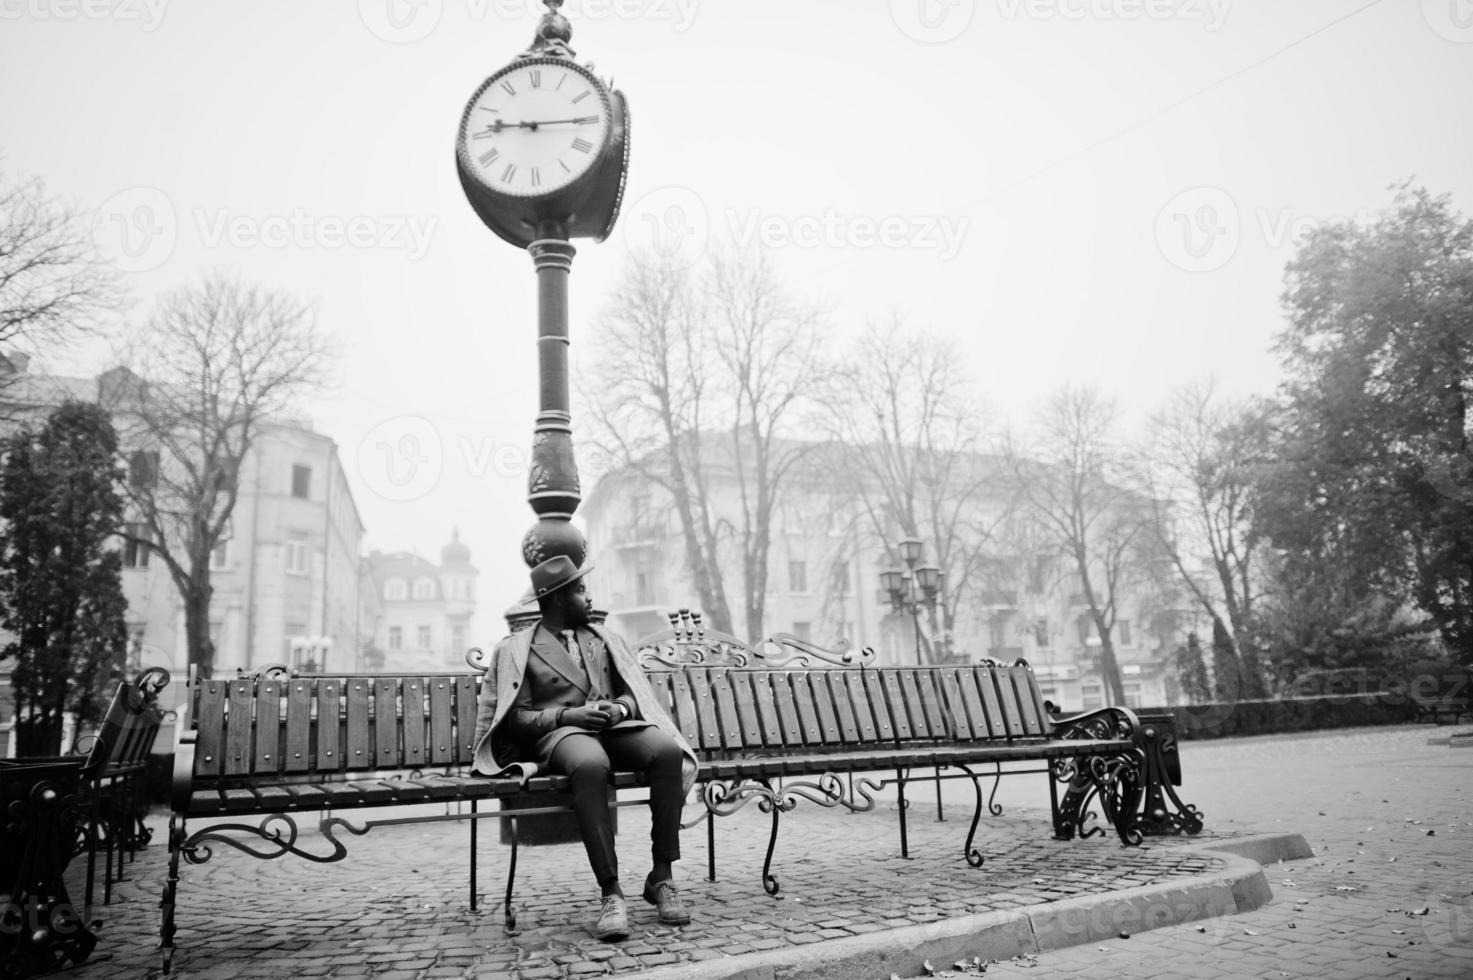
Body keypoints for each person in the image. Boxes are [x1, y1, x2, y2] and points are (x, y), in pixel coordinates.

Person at [471, 555, 699, 941]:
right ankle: (611, 892)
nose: (589, 598)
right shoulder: (519, 649)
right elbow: (517, 718)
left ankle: (662, 876)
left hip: (614, 728)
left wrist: (621, 708)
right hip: (562, 736)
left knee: (667, 751)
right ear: (559, 599)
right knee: (591, 764)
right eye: (580, 591)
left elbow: (632, 691)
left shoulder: (603, 639)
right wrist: (566, 717)